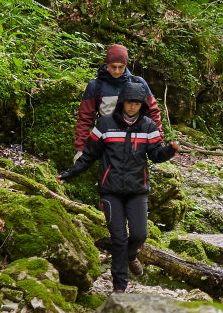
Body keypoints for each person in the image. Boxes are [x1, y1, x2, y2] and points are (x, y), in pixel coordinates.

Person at [59, 79, 175, 292]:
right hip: (110, 191)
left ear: (142, 105)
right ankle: (119, 288)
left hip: (137, 191)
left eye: (137, 104)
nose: (132, 107)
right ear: (121, 102)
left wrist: (169, 150)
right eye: (129, 102)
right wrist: (69, 173)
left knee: (140, 235)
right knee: (119, 239)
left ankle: (132, 255)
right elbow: (89, 155)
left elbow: (156, 155)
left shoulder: (148, 126)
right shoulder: (105, 125)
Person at [74, 44, 164, 156]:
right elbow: (85, 118)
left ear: (126, 65)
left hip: (134, 141)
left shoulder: (138, 83)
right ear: (107, 64)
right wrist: (81, 148)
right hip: (106, 141)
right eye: (113, 67)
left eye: (120, 67)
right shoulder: (95, 86)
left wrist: (157, 140)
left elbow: (153, 112)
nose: (116, 71)